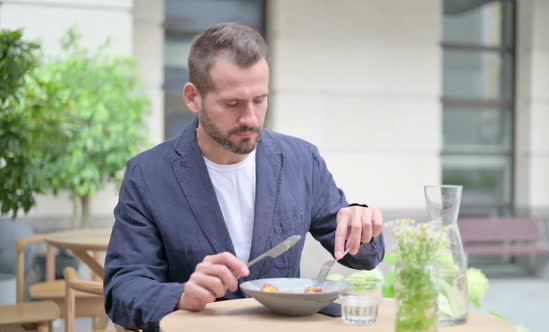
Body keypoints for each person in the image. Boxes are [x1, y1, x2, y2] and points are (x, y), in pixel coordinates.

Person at [103, 22, 385, 331]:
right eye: (232, 103)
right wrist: (181, 294)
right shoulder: (148, 175)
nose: (250, 118)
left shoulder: (301, 161)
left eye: (259, 100)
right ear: (192, 97)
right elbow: (123, 289)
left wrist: (363, 225)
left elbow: (362, 258)